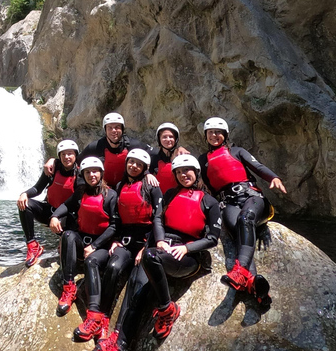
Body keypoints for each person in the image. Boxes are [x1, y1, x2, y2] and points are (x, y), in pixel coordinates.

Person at [96, 154, 221, 351]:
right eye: (179, 172)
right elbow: (158, 220)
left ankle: (167, 309)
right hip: (160, 250)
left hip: (187, 257)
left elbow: (213, 238)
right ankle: (118, 341)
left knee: (150, 257)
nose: (183, 175)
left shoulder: (210, 202)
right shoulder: (170, 194)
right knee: (135, 287)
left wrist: (186, 248)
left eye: (187, 171)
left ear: (196, 173)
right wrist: (159, 240)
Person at [75, 148, 162, 344]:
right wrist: (116, 239)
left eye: (138, 164)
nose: (133, 166)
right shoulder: (121, 185)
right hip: (126, 240)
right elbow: (118, 220)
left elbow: (158, 218)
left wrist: (146, 248)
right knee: (113, 267)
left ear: (144, 168)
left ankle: (120, 337)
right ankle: (100, 318)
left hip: (146, 241)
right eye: (131, 162)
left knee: (136, 283)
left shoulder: (152, 187)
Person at [198, 116, 287, 305]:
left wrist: (273, 177)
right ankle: (256, 289)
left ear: (225, 135)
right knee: (238, 232)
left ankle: (240, 271)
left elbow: (257, 166)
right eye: (210, 132)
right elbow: (203, 187)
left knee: (245, 219)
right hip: (228, 204)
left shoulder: (237, 151)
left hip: (252, 199)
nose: (214, 135)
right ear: (205, 135)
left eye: (218, 132)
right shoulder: (202, 161)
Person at [49, 157, 118, 322]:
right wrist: (55, 216)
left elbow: (114, 226)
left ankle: (94, 313)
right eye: (87, 172)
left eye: (95, 171)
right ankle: (69, 287)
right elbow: (67, 205)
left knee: (91, 261)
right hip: (82, 241)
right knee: (67, 235)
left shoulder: (111, 195)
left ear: (101, 173)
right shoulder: (80, 191)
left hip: (100, 245)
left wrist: (94, 246)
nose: (91, 175)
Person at [17, 139, 81, 268]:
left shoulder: (80, 173)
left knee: (66, 250)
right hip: (50, 211)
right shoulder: (53, 168)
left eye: (70, 154)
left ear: (75, 155)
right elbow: (38, 188)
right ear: (59, 156)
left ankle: (63, 241)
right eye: (63, 154)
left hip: (68, 217)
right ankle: (32, 245)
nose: (67, 157)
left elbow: (75, 202)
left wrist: (56, 217)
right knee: (25, 203)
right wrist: (25, 194)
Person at [45, 113, 152, 188]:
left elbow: (156, 154)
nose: (114, 130)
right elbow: (73, 162)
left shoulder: (133, 145)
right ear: (105, 130)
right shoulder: (95, 147)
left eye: (117, 127)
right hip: (103, 190)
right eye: (110, 127)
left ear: (122, 129)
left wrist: (149, 173)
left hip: (126, 187)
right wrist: (54, 160)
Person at [149, 122, 190, 194]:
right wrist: (147, 174)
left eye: (171, 137)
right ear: (159, 139)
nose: (168, 140)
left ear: (176, 139)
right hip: (159, 197)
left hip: (179, 195)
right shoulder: (153, 159)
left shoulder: (183, 156)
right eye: (164, 137)